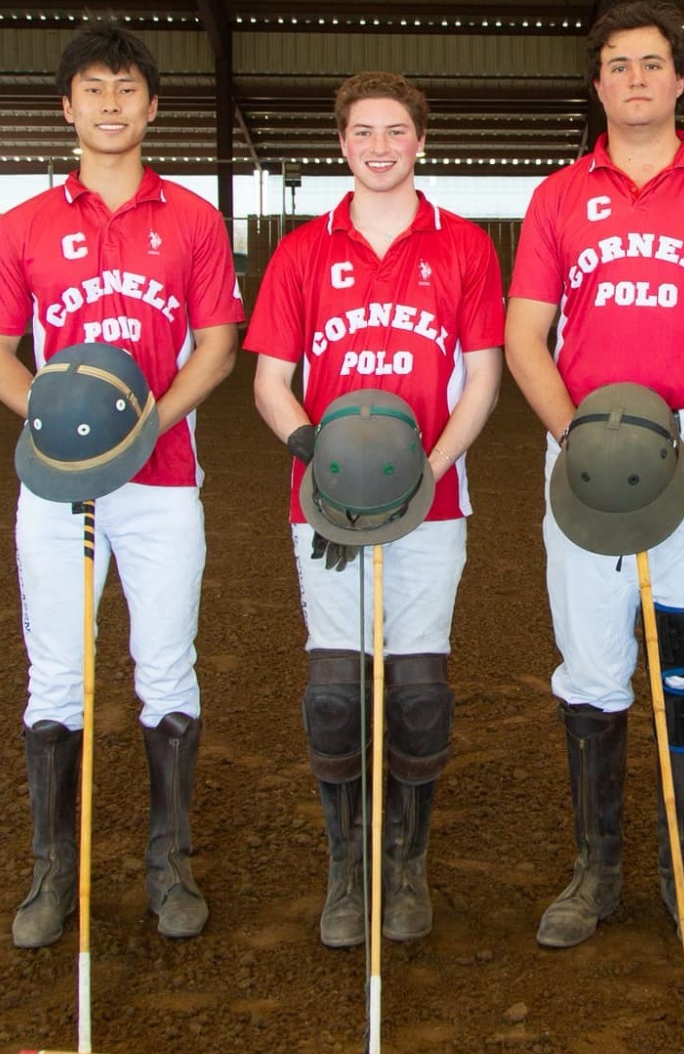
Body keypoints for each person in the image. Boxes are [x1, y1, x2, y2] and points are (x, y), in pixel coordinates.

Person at [505, 0, 684, 952]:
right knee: (591, 666)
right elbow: (522, 339)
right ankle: (597, 867)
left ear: (679, 80)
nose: (635, 79)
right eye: (617, 64)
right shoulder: (554, 197)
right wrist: (573, 439)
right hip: (583, 460)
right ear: (597, 84)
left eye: (651, 64)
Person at [0, 21, 243, 948]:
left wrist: (143, 427)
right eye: (95, 90)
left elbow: (218, 346)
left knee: (165, 665)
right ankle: (55, 871)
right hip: (56, 487)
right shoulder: (27, 225)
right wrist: (57, 429)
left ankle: (169, 865)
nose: (112, 105)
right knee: (56, 671)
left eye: (128, 90)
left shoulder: (195, 222)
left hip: (163, 480)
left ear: (152, 106)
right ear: (69, 107)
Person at [247, 71, 503, 948]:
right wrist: (320, 465)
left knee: (420, 691)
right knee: (335, 690)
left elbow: (483, 382)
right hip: (327, 509)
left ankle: (406, 859)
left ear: (420, 141)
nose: (380, 146)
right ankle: (345, 862)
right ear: (343, 143)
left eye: (396, 131)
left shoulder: (465, 247)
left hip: (431, 503)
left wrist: (426, 471)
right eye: (364, 132)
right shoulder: (301, 252)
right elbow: (271, 383)